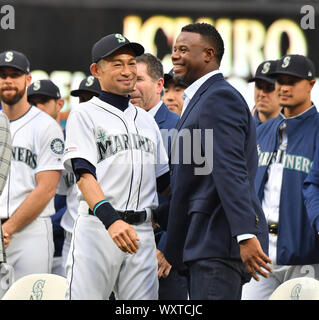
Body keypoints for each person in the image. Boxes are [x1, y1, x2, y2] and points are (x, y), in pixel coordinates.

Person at [163, 23, 272, 300]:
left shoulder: (219, 97)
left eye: (184, 49)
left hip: (218, 243)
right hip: (200, 244)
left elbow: (230, 168)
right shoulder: (199, 100)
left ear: (209, 54)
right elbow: (188, 179)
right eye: (174, 49)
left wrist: (245, 234)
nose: (175, 55)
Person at [62, 33, 170, 300]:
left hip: (142, 233)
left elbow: (164, 185)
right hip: (98, 228)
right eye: (117, 63)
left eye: (131, 63)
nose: (127, 70)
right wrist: (111, 220)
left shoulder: (147, 121)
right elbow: (84, 175)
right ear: (97, 70)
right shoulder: (84, 114)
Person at [242, 54, 319, 300]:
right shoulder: (261, 132)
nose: (284, 87)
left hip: (305, 255)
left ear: (310, 84)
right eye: (280, 81)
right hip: (262, 252)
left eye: (292, 81)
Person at [0, 50, 64, 297]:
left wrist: (8, 229)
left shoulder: (45, 125)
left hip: (30, 233)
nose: (7, 81)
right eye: (3, 75)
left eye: (14, 75)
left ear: (27, 79)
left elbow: (47, 188)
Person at [130, 53, 188, 300]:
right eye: (128, 78)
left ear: (159, 84)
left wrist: (166, 247)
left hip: (163, 252)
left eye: (139, 79)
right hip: (118, 244)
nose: (131, 86)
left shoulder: (182, 128)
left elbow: (189, 196)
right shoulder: (116, 125)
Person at [248, 60, 281, 126]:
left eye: (270, 87)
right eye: (259, 86)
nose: (262, 94)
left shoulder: (295, 128)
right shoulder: (242, 125)